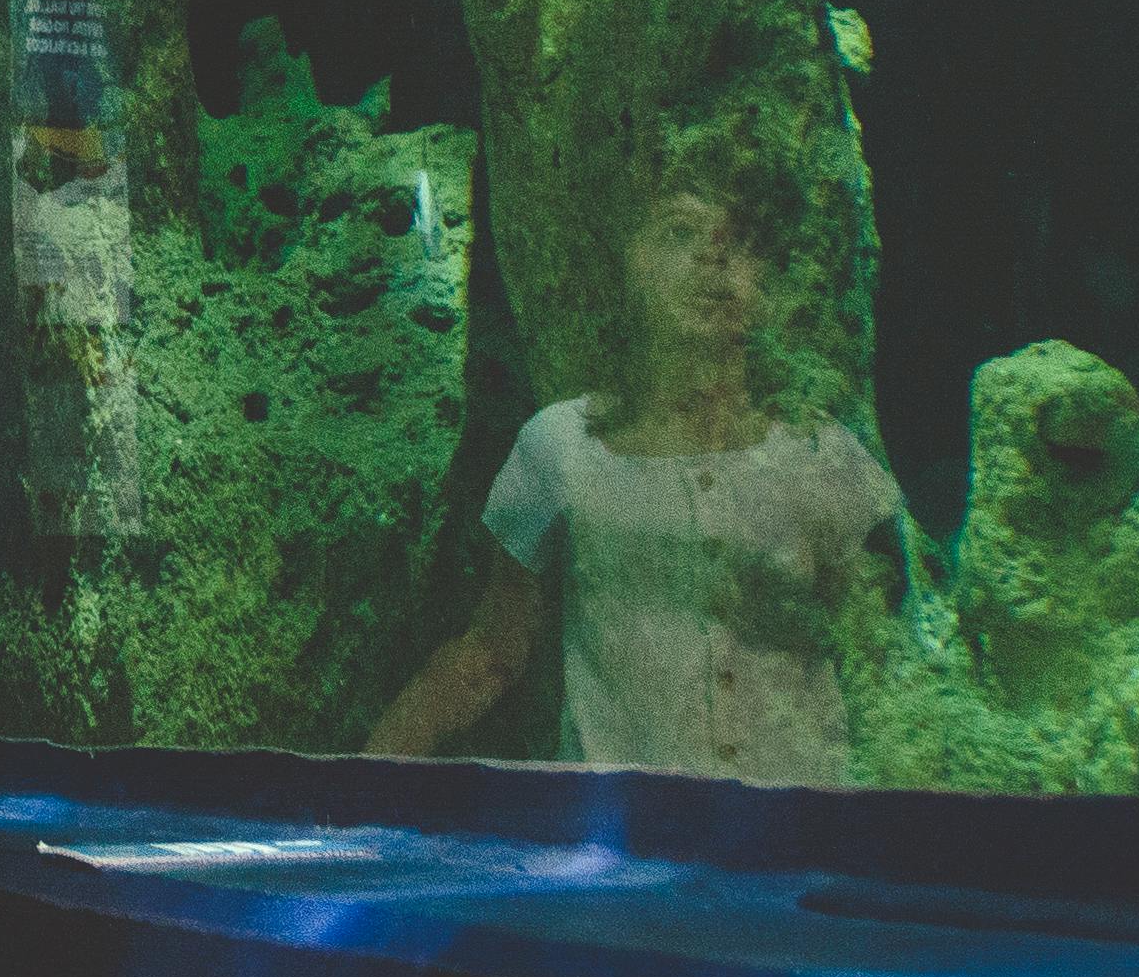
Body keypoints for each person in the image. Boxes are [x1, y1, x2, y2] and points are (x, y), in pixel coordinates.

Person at [365, 180, 906, 775]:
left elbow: (880, 662)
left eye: (740, 242)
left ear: (771, 287)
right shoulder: (559, 448)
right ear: (631, 264)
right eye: (680, 232)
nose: (712, 258)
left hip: (790, 842)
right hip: (618, 840)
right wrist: (353, 787)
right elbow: (490, 653)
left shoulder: (823, 458)